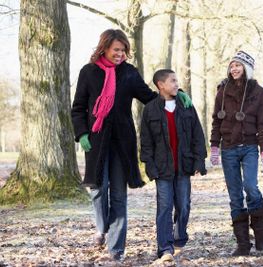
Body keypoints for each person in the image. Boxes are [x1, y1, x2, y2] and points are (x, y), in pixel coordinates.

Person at [70, 29, 192, 262]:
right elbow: (78, 107)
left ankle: (116, 250)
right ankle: (102, 227)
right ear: (104, 47)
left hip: (122, 142)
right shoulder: (89, 72)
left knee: (118, 195)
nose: (120, 54)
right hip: (95, 140)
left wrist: (177, 93)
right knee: (98, 189)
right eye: (116, 49)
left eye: (123, 50)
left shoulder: (128, 72)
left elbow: (149, 96)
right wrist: (82, 133)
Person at [140, 69, 207, 265]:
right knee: (164, 207)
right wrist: (149, 166)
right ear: (161, 85)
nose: (177, 84)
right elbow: (146, 141)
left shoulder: (186, 105)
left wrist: (198, 160)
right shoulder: (150, 109)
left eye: (177, 80)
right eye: (173, 81)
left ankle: (179, 237)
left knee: (184, 206)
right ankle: (165, 248)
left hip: (184, 165)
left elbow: (197, 134)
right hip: (162, 169)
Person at [210, 51, 263, 256]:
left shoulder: (259, 93)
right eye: (232, 65)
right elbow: (216, 121)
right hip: (228, 148)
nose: (234, 69)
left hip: (249, 147)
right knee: (235, 195)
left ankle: (260, 230)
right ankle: (243, 245)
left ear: (247, 68)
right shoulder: (222, 90)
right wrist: (214, 147)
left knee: (250, 186)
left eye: (238, 65)